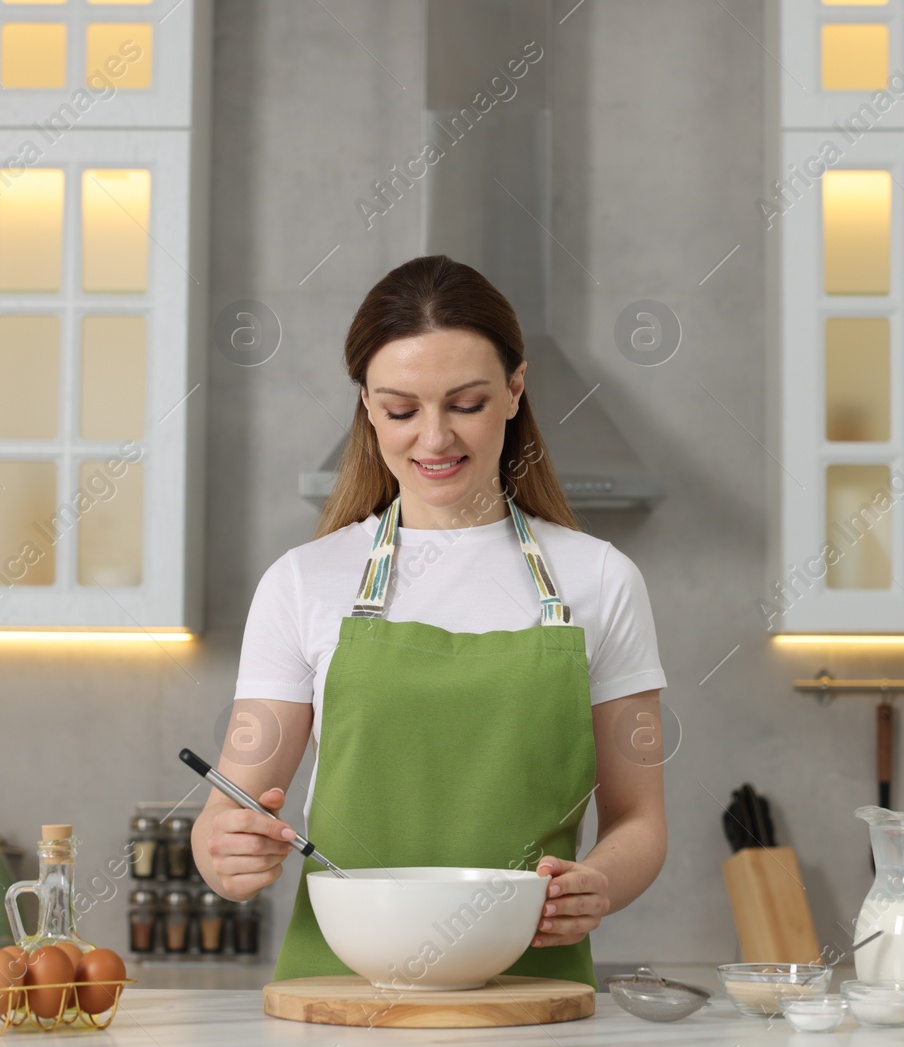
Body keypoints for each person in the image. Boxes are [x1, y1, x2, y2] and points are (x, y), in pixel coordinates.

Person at [193, 254, 667, 987]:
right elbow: (228, 811)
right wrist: (224, 851)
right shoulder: (302, 581)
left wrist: (598, 882)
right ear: (367, 405)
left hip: (530, 997)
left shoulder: (601, 579)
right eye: (402, 410)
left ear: (514, 390)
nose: (436, 439)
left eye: (467, 404)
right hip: (342, 998)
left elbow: (640, 820)